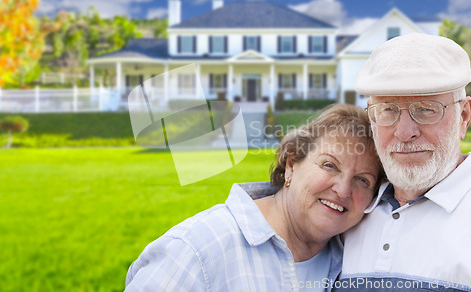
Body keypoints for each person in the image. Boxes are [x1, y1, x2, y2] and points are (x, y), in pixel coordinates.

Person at [125, 104, 383, 291]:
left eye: (363, 180)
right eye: (329, 165)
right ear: (291, 165)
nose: (343, 189)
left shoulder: (354, 261)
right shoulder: (195, 250)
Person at [337, 33, 471, 291]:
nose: (404, 132)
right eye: (388, 110)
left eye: (426, 109)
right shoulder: (346, 213)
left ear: (464, 116)